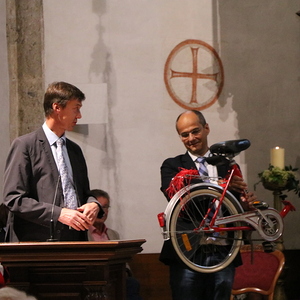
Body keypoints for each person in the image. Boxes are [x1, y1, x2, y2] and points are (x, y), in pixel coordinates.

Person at [160, 110, 257, 300]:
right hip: (187, 252)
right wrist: (217, 185)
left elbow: (234, 203)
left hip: (224, 250)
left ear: (206, 128)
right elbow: (175, 194)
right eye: (184, 134)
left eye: (195, 131)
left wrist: (244, 205)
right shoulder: (171, 165)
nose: (191, 138)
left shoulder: (226, 166)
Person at [3, 81, 103, 242]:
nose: (79, 115)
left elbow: (84, 193)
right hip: (36, 243)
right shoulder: (25, 145)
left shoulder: (74, 150)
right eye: (75, 108)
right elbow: (14, 199)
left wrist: (94, 204)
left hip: (75, 241)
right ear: (57, 108)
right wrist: (58, 213)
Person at [88, 189, 143, 300]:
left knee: (131, 283)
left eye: (105, 207)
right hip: (92, 278)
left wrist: (125, 273)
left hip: (114, 276)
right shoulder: (82, 234)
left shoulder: (113, 234)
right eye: (99, 208)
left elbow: (123, 261)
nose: (103, 212)